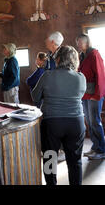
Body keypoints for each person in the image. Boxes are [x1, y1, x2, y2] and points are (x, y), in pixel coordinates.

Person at [32, 46, 86, 185]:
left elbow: (35, 97)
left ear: (59, 59)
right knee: (75, 161)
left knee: (50, 158)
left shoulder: (47, 75)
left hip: (52, 122)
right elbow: (79, 95)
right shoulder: (81, 78)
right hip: (76, 123)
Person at [76, 33, 105, 160]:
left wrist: (97, 95)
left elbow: (100, 74)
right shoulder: (82, 55)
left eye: (80, 42)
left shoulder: (94, 54)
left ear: (87, 42)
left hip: (94, 94)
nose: (78, 44)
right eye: (77, 42)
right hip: (85, 94)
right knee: (89, 121)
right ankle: (95, 146)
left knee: (95, 121)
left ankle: (102, 149)